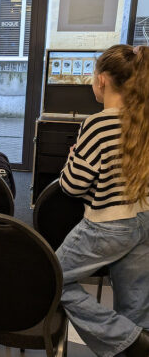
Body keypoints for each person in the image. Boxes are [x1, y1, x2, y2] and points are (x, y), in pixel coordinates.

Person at [57, 45, 149, 357]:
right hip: (145, 219)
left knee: (49, 277)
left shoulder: (97, 123)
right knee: (135, 304)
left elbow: (71, 186)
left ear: (102, 80)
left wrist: (73, 161)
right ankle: (137, 340)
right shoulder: (144, 120)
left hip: (108, 225)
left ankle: (129, 339)